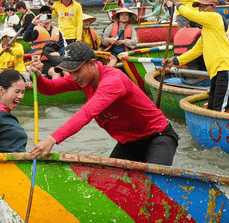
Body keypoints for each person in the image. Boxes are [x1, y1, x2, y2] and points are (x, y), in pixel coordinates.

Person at [27, 42, 179, 165]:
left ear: (92, 63)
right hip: (128, 143)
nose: (73, 77)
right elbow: (49, 89)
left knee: (154, 183)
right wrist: (39, 77)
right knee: (111, 184)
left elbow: (86, 113)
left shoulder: (112, 81)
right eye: (70, 71)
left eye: (77, 71)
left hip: (157, 136)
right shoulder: (83, 80)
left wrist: (52, 139)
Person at [163, 0, 229, 112]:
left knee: (219, 110)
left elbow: (191, 15)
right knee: (212, 108)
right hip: (216, 73)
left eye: (204, 6)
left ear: (213, 7)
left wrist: (177, 3)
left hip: (225, 69)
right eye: (199, 7)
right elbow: (195, 52)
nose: (201, 9)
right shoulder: (206, 30)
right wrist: (175, 60)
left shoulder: (215, 17)